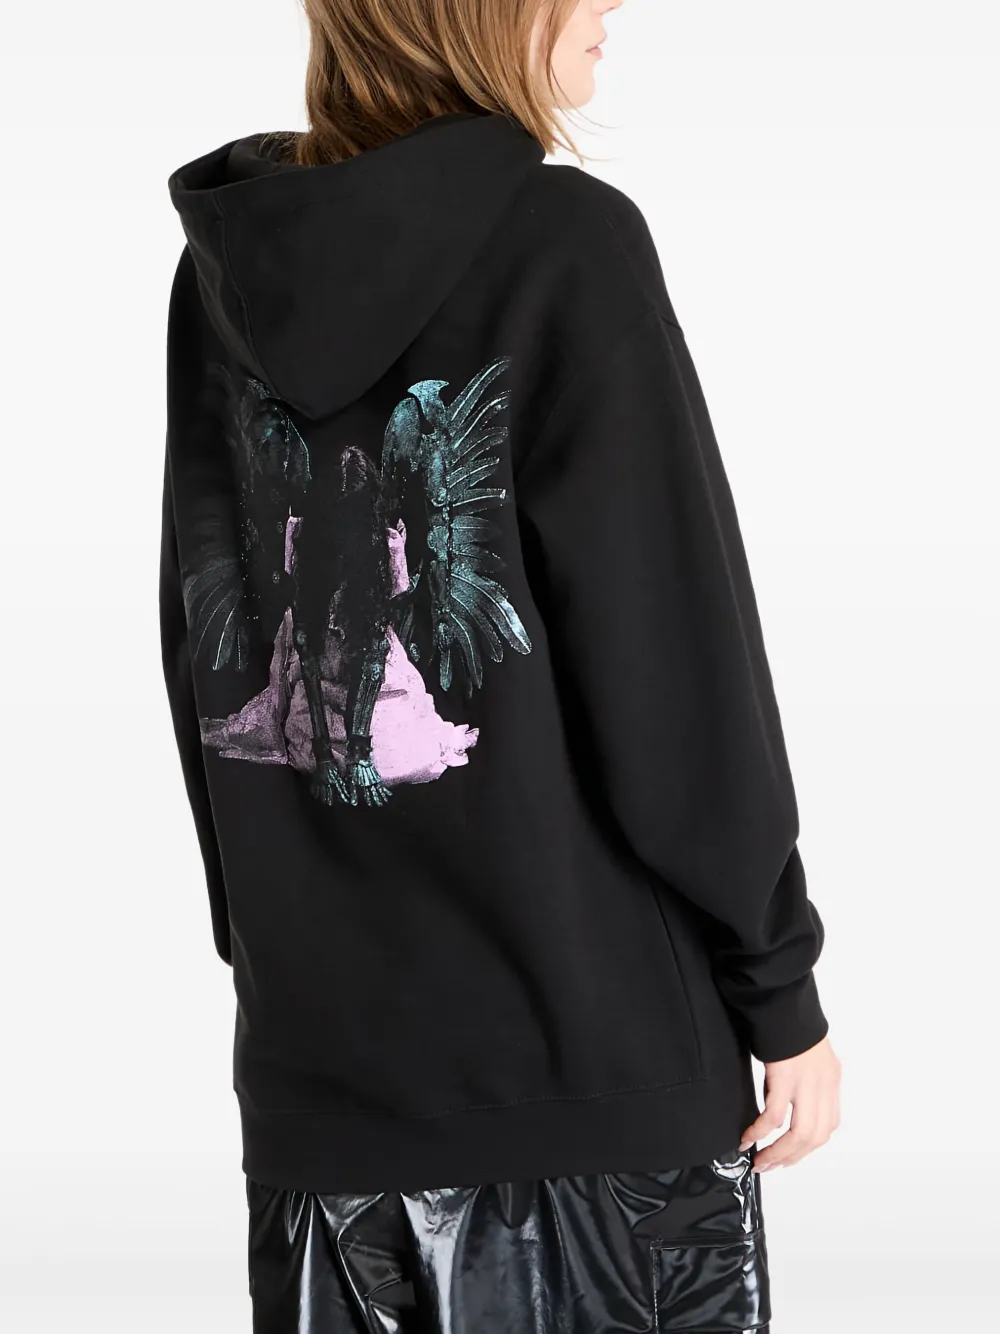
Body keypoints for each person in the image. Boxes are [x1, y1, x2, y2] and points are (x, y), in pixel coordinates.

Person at [161, 1, 841, 1328]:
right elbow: (673, 656)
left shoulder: (222, 280)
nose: (612, 2)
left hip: (322, 1104)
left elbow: (203, 652)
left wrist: (272, 956)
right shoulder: (566, 245)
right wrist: (779, 984)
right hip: (592, 1104)